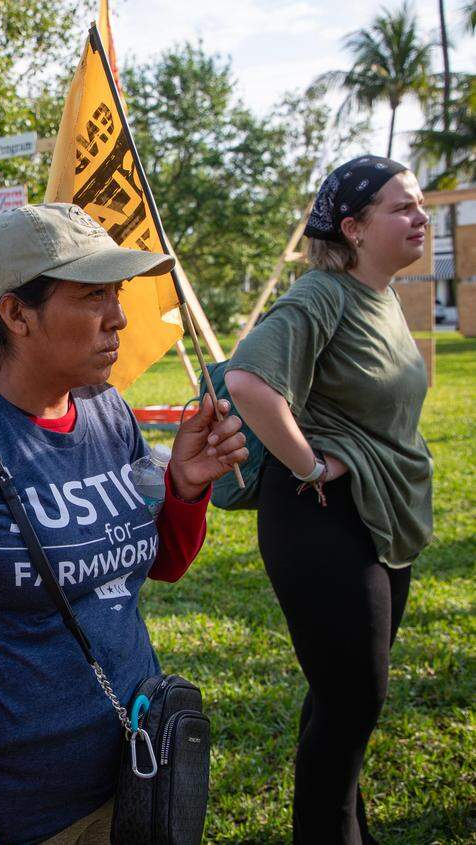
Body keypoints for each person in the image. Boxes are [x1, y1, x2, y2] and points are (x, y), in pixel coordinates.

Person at [0, 204, 248, 845]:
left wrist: (182, 486)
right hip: (23, 810)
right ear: (16, 314)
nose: (118, 316)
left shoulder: (106, 409)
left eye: (116, 293)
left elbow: (159, 560)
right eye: (93, 295)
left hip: (140, 772)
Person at [226, 156, 433, 845]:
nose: (420, 217)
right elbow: (251, 380)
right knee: (352, 699)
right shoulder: (321, 293)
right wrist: (310, 462)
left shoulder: (380, 296)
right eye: (402, 207)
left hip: (375, 515)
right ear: (353, 227)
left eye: (420, 203)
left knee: (341, 695)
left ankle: (348, 829)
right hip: (321, 519)